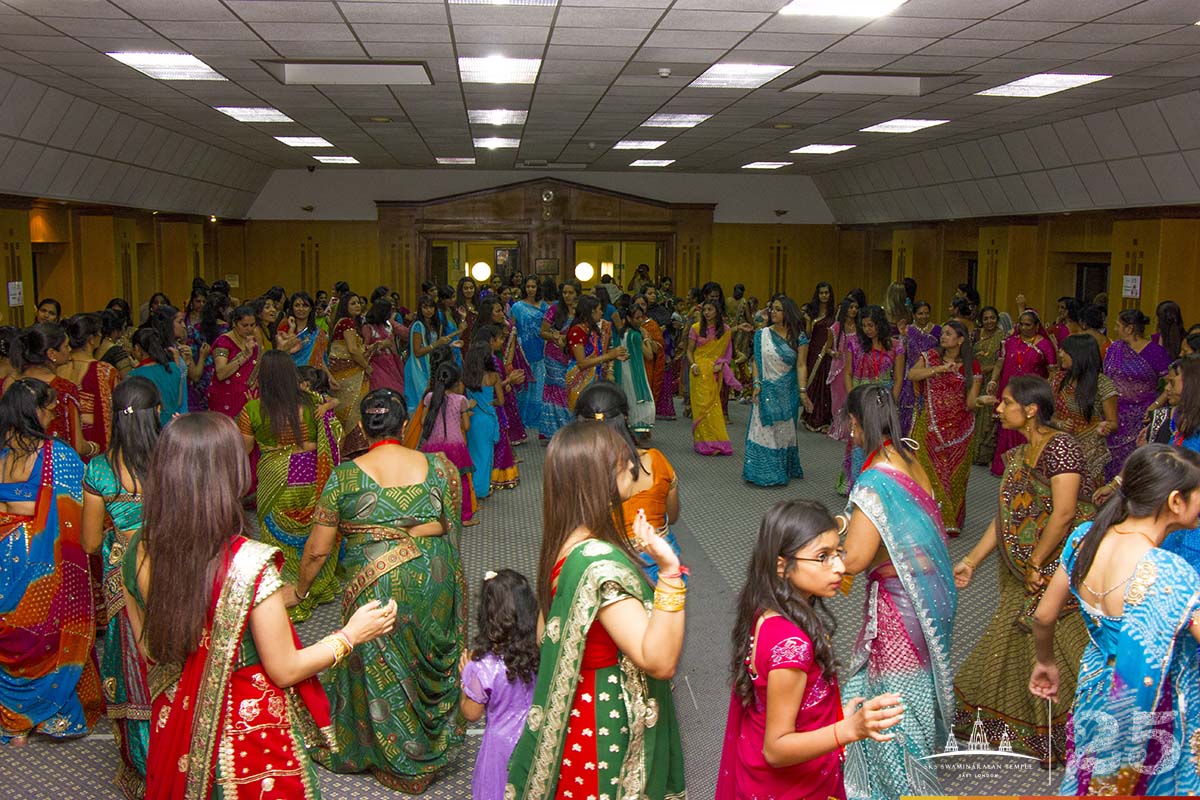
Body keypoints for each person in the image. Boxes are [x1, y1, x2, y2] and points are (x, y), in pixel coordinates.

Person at [120, 412, 395, 797]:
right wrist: (349, 636)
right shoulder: (249, 565)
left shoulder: (136, 551)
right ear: (230, 475)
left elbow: (150, 651)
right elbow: (284, 669)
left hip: (177, 723)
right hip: (244, 743)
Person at [292, 389, 466, 792]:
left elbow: (318, 550)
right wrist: (415, 528)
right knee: (424, 654)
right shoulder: (440, 468)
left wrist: (300, 591)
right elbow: (447, 523)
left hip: (374, 578)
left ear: (361, 428)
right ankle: (425, 749)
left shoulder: (344, 476)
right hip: (432, 577)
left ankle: (392, 756)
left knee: (381, 661)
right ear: (404, 425)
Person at [506, 421, 686, 798]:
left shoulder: (567, 542)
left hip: (580, 708)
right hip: (606, 723)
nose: (633, 469)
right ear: (601, 477)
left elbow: (545, 635)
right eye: (625, 463)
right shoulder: (598, 562)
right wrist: (669, 574)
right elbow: (659, 660)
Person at [1030, 445, 1200, 794]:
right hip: (1149, 704)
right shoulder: (1167, 572)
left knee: (1091, 775)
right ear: (1175, 501)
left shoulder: (1084, 538)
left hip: (1095, 686)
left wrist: (1044, 661)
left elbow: (1044, 617)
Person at [717, 500, 905, 800]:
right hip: (790, 787)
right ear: (782, 566)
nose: (841, 567)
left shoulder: (767, 609)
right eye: (823, 557)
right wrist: (849, 729)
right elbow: (776, 749)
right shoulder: (792, 645)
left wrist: (834, 711)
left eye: (838, 552)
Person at [952, 375, 1094, 763]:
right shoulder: (1021, 454)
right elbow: (1005, 517)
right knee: (1017, 640)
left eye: (1006, 403)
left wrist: (1037, 561)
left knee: (1061, 645)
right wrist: (971, 560)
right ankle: (1028, 728)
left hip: (1061, 566)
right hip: (1026, 568)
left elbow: (1064, 514)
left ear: (1030, 410)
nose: (998, 409)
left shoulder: (1061, 448)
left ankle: (1081, 731)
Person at [840, 384, 956, 799]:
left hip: (899, 604)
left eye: (848, 423)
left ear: (856, 422)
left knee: (895, 699)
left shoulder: (873, 481)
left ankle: (900, 788)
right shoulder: (910, 459)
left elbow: (855, 559)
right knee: (906, 688)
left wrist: (825, 547)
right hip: (931, 594)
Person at [0, 378, 101, 745]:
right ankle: (47, 716)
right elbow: (82, 511)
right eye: (48, 409)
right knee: (45, 633)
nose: (52, 415)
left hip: (2, 555)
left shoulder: (1, 453)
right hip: (38, 558)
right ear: (33, 412)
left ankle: (13, 722)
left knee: (9, 634)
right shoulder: (55, 455)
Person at [80, 377, 158, 797]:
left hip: (123, 573)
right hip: (171, 566)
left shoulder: (99, 469)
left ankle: (146, 759)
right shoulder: (171, 456)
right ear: (157, 413)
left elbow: (90, 542)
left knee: (131, 658)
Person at [237, 351, 342, 622]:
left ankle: (288, 588)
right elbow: (334, 432)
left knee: (276, 536)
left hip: (275, 478)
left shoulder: (253, 409)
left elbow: (245, 448)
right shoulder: (314, 402)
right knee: (312, 530)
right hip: (312, 473)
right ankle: (315, 585)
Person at [575, 381, 682, 583]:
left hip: (607, 565)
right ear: (624, 417)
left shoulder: (576, 470)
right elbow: (673, 515)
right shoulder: (656, 460)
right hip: (659, 562)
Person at [459, 569, 538, 800]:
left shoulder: (481, 665)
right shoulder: (540, 652)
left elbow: (471, 713)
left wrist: (464, 679)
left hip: (499, 748)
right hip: (535, 738)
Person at [906, 320, 981, 536]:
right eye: (943, 332)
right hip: (929, 425)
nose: (943, 336)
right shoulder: (930, 356)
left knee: (955, 474)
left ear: (961, 339)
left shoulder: (971, 366)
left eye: (949, 333)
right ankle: (934, 519)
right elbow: (912, 375)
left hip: (960, 429)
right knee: (929, 472)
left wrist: (982, 401)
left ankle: (951, 517)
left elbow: (970, 402)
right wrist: (937, 369)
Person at [744, 296, 812, 486]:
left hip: (787, 390)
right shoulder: (762, 334)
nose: (773, 312)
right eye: (771, 308)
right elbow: (757, 361)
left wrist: (802, 392)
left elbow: (801, 365)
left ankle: (782, 467)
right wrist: (756, 384)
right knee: (764, 431)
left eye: (778, 309)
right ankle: (763, 471)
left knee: (783, 431)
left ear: (787, 312)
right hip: (765, 389)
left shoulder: (799, 337)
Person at [840, 305, 904, 494]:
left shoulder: (895, 346)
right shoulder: (854, 342)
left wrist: (892, 402)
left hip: (883, 396)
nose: (867, 329)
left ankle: (879, 484)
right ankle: (857, 485)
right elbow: (848, 373)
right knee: (859, 439)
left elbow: (899, 378)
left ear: (880, 325)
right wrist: (853, 398)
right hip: (861, 394)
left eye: (871, 325)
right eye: (864, 325)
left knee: (882, 438)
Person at [1104, 308, 1171, 481]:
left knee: (1134, 461)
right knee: (1110, 460)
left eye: (1118, 325)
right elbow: (1106, 380)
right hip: (1114, 414)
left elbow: (1171, 383)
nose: (1115, 329)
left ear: (1129, 328)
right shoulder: (1114, 349)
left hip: (1142, 416)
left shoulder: (1156, 352)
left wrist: (1155, 406)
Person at [989, 308, 1057, 475]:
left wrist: (1048, 392)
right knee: (1007, 426)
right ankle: (1004, 467)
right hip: (1009, 390)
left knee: (1028, 426)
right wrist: (993, 380)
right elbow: (1000, 363)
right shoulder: (1009, 342)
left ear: (1036, 326)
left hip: (1030, 394)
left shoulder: (1044, 345)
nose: (1024, 328)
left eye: (1028, 325)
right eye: (1021, 324)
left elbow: (1053, 372)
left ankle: (1027, 466)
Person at [7, 323, 86, 456]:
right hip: (55, 466)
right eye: (66, 346)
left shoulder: (11, 382)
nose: (70, 349)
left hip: (17, 463)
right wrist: (95, 447)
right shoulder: (63, 388)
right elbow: (77, 445)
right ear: (51, 353)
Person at [1052, 334, 1119, 486]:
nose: (1060, 354)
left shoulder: (1102, 384)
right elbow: (1047, 415)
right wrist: (1060, 424)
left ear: (1078, 355)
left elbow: (1113, 423)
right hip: (1061, 447)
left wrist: (1104, 426)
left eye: (1065, 350)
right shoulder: (1058, 380)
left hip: (1091, 454)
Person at [420, 360, 478, 526]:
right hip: (455, 446)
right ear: (457, 382)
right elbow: (466, 426)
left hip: (433, 446)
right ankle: (465, 517)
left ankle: (434, 516)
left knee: (434, 481)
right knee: (462, 481)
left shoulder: (430, 397)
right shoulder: (461, 400)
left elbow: (424, 422)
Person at [688, 299, 741, 455]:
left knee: (714, 406)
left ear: (717, 311)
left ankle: (717, 441)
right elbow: (689, 351)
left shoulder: (724, 330)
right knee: (701, 407)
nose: (706, 313)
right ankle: (703, 443)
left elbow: (727, 354)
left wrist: (721, 364)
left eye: (710, 309)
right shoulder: (696, 328)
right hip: (698, 371)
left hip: (714, 371)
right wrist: (693, 365)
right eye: (705, 310)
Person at [61, 313, 119, 456]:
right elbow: (115, 414)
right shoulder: (104, 371)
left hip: (61, 440)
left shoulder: (56, 368)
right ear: (91, 340)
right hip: (92, 439)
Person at [464, 329, 513, 497]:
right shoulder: (493, 376)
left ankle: (470, 488)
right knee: (486, 456)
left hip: (471, 418)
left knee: (472, 452)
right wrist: (492, 403)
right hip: (488, 419)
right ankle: (481, 490)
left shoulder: (467, 376)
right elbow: (501, 400)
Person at [476, 297, 529, 447]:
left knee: (507, 399)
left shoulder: (506, 327)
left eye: (502, 310)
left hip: (504, 364)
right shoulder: (483, 334)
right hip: (492, 368)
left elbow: (511, 346)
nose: (502, 314)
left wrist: (507, 366)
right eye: (498, 311)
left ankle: (509, 438)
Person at [565, 294, 625, 410]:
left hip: (594, 378)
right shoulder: (577, 331)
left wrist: (615, 355)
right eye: (599, 309)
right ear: (591, 312)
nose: (602, 313)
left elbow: (599, 355)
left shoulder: (592, 330)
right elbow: (582, 363)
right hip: (579, 381)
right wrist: (609, 355)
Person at [539, 278, 580, 440]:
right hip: (553, 356)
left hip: (574, 357)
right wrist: (556, 338)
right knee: (558, 389)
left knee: (571, 388)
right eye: (564, 292)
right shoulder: (555, 309)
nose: (567, 296)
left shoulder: (581, 311)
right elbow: (542, 332)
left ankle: (568, 429)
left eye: (571, 293)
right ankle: (559, 430)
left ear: (577, 293)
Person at [406, 294, 456, 417]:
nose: (428, 310)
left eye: (431, 307)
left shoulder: (433, 324)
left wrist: (450, 345)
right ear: (420, 309)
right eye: (425, 307)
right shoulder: (418, 326)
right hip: (418, 367)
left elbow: (435, 346)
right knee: (421, 403)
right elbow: (417, 352)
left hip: (431, 364)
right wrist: (436, 344)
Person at [328, 292, 371, 430]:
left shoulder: (342, 322)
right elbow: (352, 350)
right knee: (353, 412)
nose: (357, 305)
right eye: (353, 303)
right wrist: (367, 367)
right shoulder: (347, 322)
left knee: (344, 411)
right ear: (344, 306)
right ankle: (353, 448)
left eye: (358, 302)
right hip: (348, 375)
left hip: (340, 374)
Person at [614, 301, 656, 437]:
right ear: (628, 318)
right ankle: (638, 432)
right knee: (642, 402)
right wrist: (646, 338)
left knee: (627, 399)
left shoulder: (620, 334)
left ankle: (626, 429)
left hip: (622, 372)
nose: (640, 320)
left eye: (641, 317)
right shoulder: (636, 335)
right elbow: (649, 355)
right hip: (636, 373)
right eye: (637, 318)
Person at [209, 304, 259, 419]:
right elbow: (221, 374)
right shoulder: (223, 342)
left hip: (248, 400)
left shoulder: (253, 342)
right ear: (234, 324)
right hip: (226, 400)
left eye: (252, 325)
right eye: (244, 325)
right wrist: (244, 356)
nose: (249, 329)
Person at [129, 328, 187, 425]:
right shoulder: (174, 368)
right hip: (170, 427)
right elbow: (179, 401)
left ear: (137, 348)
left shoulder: (134, 376)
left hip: (148, 430)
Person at [512, 276, 548, 430]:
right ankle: (521, 418)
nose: (530, 289)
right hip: (523, 349)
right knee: (523, 385)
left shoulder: (544, 306)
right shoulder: (517, 307)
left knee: (539, 384)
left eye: (533, 286)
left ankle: (536, 418)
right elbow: (512, 328)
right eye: (528, 286)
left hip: (540, 348)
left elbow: (548, 328)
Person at [971, 306, 1005, 466]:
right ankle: (972, 452)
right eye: (986, 318)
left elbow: (1002, 361)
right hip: (975, 379)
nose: (989, 321)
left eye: (992, 318)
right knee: (974, 415)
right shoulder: (976, 335)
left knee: (988, 418)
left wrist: (987, 370)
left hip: (993, 381)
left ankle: (984, 455)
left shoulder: (1002, 338)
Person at [802, 282, 837, 431]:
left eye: (826, 293)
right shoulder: (812, 312)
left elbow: (836, 333)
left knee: (825, 385)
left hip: (828, 351)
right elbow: (808, 335)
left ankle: (824, 419)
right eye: (821, 293)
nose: (824, 295)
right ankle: (811, 416)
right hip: (814, 350)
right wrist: (809, 321)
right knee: (814, 382)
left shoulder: (834, 314)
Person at [826, 295, 859, 450]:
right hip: (839, 368)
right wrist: (833, 353)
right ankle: (839, 429)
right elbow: (827, 348)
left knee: (851, 397)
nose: (853, 310)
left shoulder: (861, 327)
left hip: (856, 367)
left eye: (856, 308)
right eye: (851, 307)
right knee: (839, 398)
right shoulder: (836, 328)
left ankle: (852, 429)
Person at [277, 290, 330, 374]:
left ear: (311, 309)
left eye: (305, 306)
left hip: (311, 377)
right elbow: (280, 354)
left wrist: (330, 378)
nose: (301, 309)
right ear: (292, 308)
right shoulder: (284, 327)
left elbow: (320, 359)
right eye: (297, 305)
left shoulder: (318, 333)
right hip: (287, 374)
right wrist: (291, 329)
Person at [362, 296, 406, 395]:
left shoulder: (388, 326)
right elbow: (364, 348)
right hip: (377, 363)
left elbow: (393, 345)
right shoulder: (368, 327)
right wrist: (380, 344)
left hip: (391, 361)